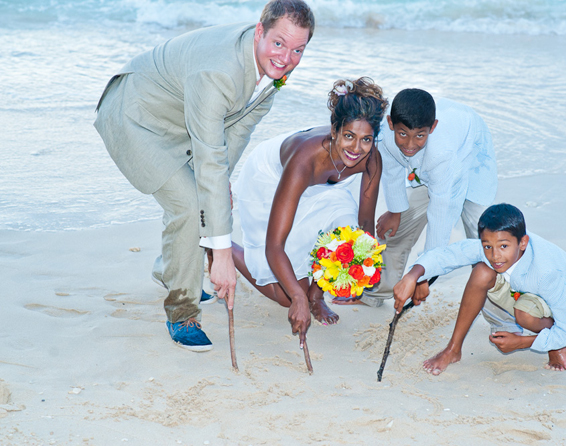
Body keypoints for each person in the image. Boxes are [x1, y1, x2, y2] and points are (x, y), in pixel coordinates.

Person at [93, 0, 315, 352]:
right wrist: (221, 254)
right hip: (135, 116)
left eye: (298, 50)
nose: (286, 58)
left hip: (182, 122)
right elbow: (210, 159)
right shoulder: (219, 71)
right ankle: (182, 312)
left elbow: (237, 132)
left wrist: (221, 187)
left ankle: (172, 268)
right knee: (189, 202)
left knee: (210, 195)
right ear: (260, 32)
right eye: (278, 44)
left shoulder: (274, 68)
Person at [231, 77, 388, 346]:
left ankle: (317, 297)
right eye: (349, 136)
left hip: (324, 188)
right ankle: (221, 248)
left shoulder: (371, 158)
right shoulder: (305, 159)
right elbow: (274, 244)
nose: (356, 149)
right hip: (271, 180)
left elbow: (364, 224)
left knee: (349, 244)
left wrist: (362, 262)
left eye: (366, 139)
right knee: (287, 296)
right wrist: (298, 298)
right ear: (335, 130)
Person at [334, 89, 497, 307]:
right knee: (394, 230)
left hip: (473, 154)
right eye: (403, 134)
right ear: (391, 124)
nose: (409, 144)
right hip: (430, 164)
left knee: (486, 241)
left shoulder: (442, 154)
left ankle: (500, 310)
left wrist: (424, 275)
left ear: (433, 128)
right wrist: (395, 211)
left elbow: (441, 215)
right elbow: (391, 171)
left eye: (419, 135)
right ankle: (375, 293)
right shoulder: (384, 136)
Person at [393, 203, 566, 374]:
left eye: (504, 247)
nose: (495, 256)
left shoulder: (547, 274)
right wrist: (413, 276)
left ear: (523, 243)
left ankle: (555, 343)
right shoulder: (493, 246)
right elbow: (447, 255)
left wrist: (523, 342)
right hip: (522, 289)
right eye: (487, 246)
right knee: (482, 271)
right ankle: (453, 350)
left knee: (524, 314)